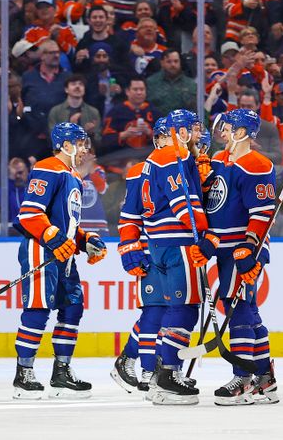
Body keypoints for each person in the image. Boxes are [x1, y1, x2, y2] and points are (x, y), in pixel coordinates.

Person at [11, 122, 107, 399]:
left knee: (73, 308)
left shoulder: (72, 175)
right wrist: (55, 239)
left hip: (61, 254)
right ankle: (24, 373)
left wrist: (85, 240)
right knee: (39, 309)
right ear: (66, 145)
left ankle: (61, 373)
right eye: (80, 144)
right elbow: (29, 214)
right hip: (40, 250)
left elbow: (66, 225)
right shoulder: (47, 167)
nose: (85, 150)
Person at [198, 108, 279, 404]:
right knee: (246, 308)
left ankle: (243, 377)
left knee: (239, 307)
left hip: (244, 248)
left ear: (242, 133)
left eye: (229, 127)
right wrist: (202, 177)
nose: (222, 132)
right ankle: (265, 377)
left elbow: (261, 213)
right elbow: (214, 204)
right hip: (223, 247)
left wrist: (249, 246)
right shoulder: (218, 160)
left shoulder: (258, 165)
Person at [142, 109, 206, 405]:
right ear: (179, 131)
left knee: (175, 309)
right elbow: (184, 205)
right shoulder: (173, 156)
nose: (196, 134)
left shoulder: (156, 158)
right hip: (178, 242)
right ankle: (168, 374)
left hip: (159, 243)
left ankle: (163, 371)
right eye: (192, 128)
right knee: (185, 310)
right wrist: (205, 234)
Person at [111, 117, 170, 393]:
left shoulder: (185, 166)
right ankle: (150, 370)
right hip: (150, 250)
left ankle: (127, 360)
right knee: (155, 309)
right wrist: (130, 247)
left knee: (170, 310)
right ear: (158, 139)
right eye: (169, 137)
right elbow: (130, 216)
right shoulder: (138, 172)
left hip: (174, 250)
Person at [101, 78, 159, 154]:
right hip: (122, 157)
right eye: (135, 89)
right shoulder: (115, 112)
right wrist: (124, 134)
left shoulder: (154, 111)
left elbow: (165, 139)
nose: (139, 92)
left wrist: (149, 132)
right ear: (127, 91)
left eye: (142, 89)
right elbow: (105, 140)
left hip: (149, 155)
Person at [47, 74, 102, 149]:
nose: (77, 86)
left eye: (81, 84)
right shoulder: (55, 111)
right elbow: (54, 140)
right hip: (64, 156)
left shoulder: (93, 112)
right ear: (66, 89)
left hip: (86, 156)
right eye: (73, 84)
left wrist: (90, 134)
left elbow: (98, 142)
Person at [145, 49, 197, 114]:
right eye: (169, 61)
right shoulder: (150, 83)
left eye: (176, 61)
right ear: (162, 63)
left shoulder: (191, 84)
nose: (173, 65)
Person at [0, 157, 31, 225]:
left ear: (27, 171)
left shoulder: (32, 189)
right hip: (11, 229)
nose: (18, 176)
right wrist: (11, 178)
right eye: (15, 174)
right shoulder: (7, 190)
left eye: (20, 172)